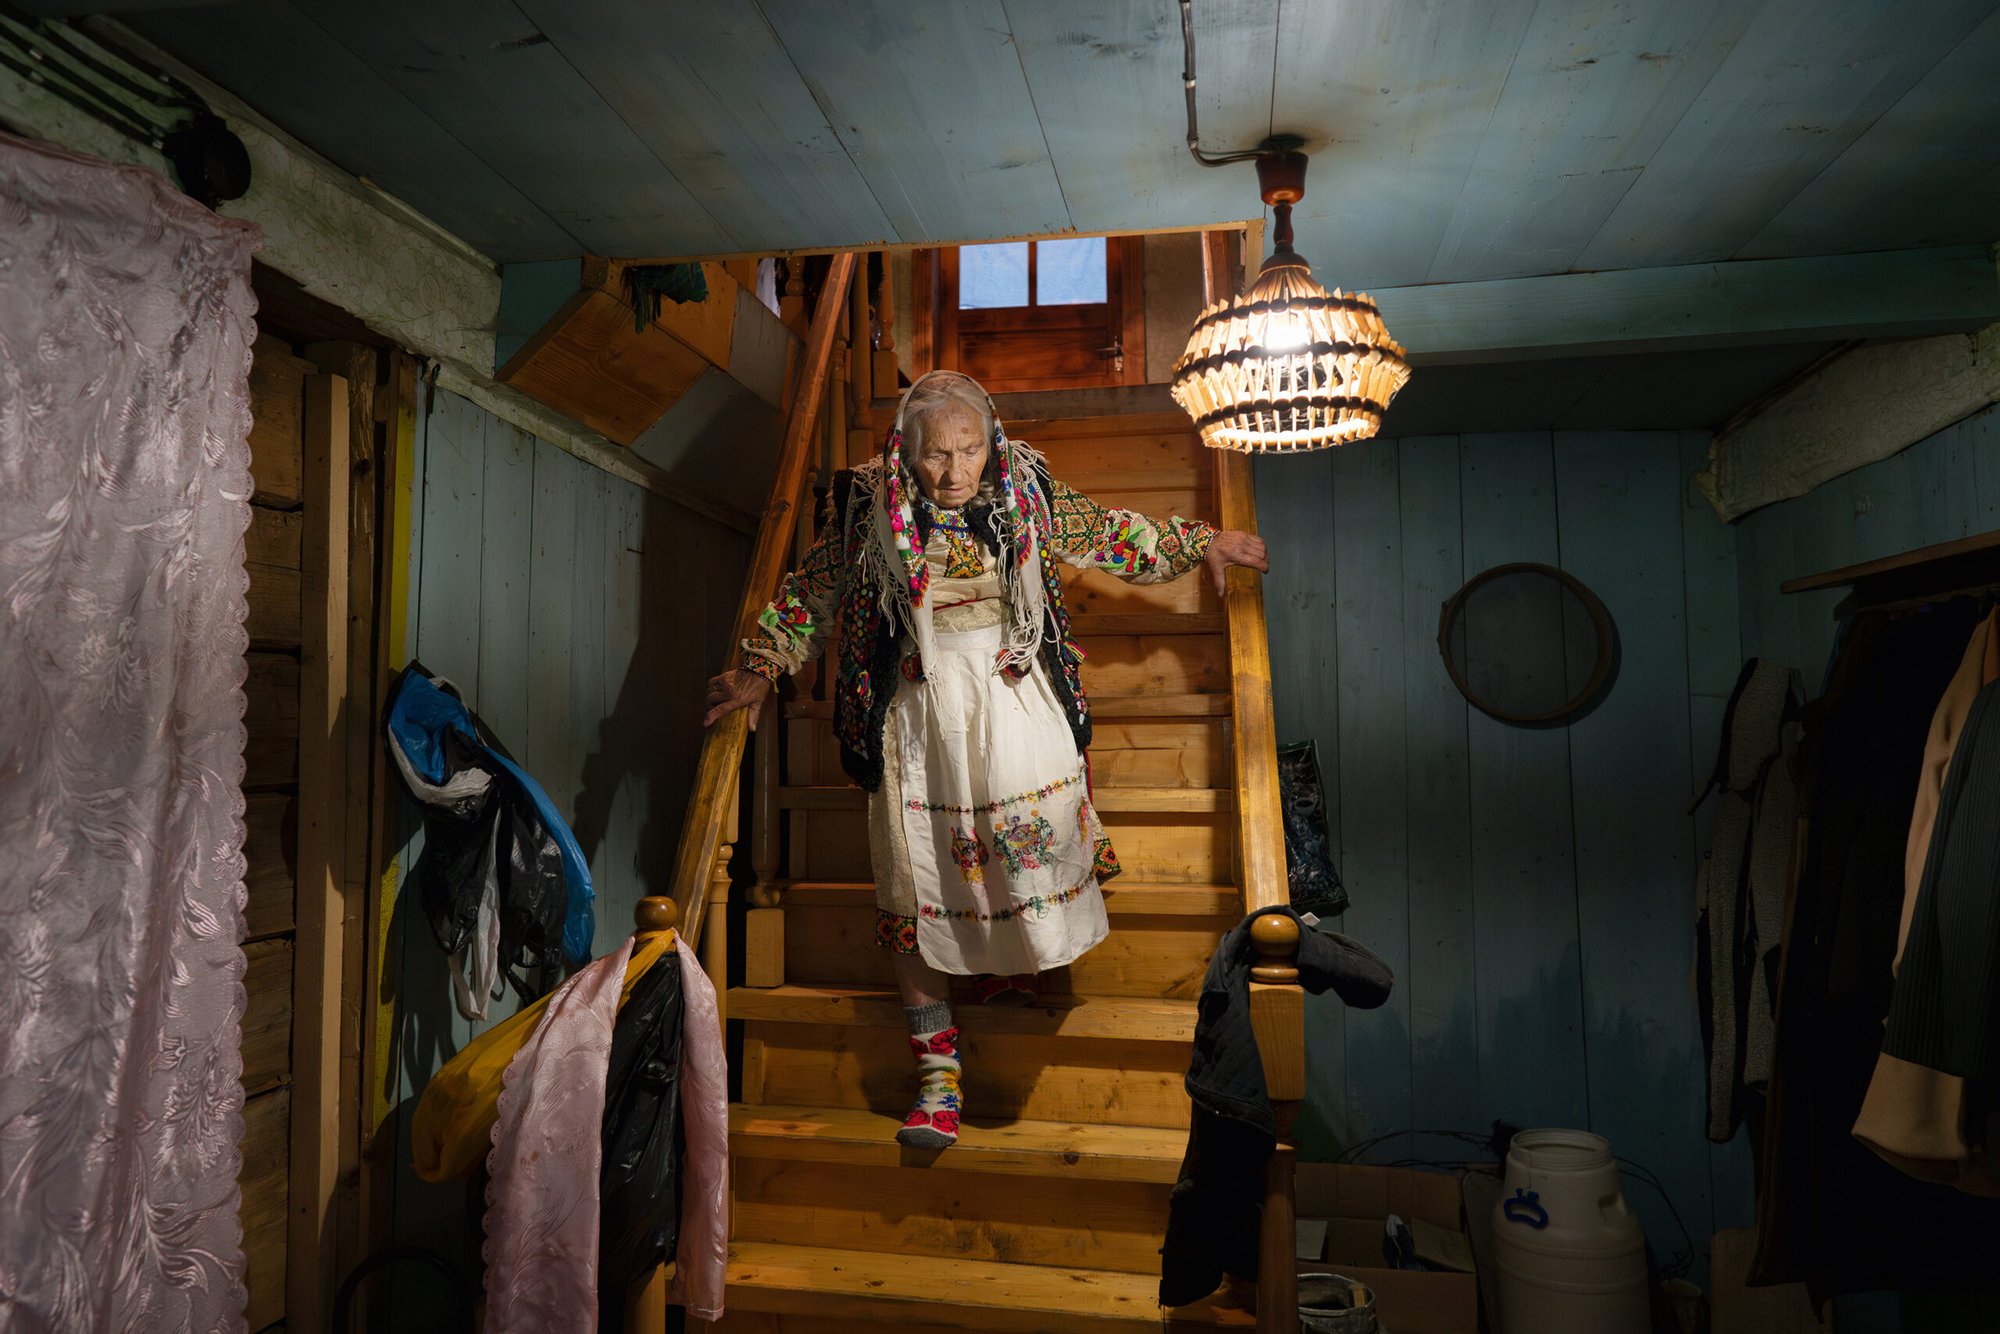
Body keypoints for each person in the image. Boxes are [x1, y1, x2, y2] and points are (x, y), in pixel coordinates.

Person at [704, 369, 1268, 1148]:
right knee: (912, 889)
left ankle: (1012, 967)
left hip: (1014, 702)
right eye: (937, 455)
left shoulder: (1024, 484)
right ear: (906, 450)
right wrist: (762, 668)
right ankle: (937, 1079)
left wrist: (1205, 540)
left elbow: (1106, 533)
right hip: (918, 716)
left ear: (989, 440)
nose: (955, 471)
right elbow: (815, 590)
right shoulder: (870, 507)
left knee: (1022, 859)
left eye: (968, 450)